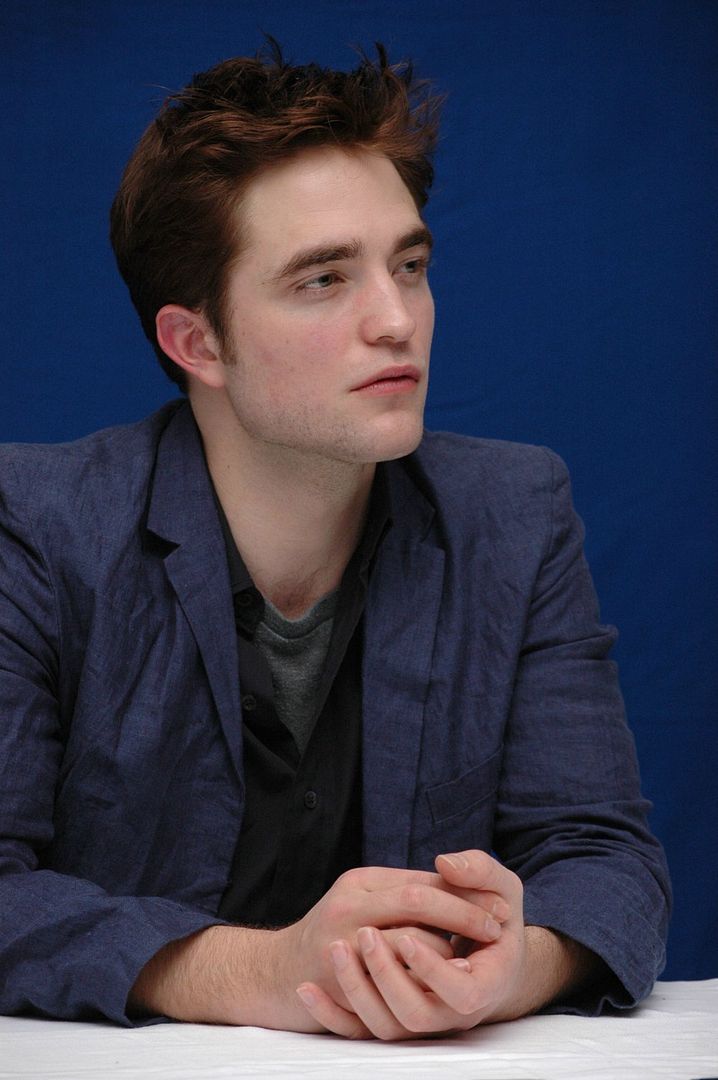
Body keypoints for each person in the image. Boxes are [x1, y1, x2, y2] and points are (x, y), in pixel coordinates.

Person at [0, 42, 670, 1040]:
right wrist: (257, 973)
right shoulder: (35, 526)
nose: (397, 321)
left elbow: (603, 857)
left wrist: (518, 966)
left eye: (410, 266)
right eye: (323, 279)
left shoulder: (513, 514)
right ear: (197, 342)